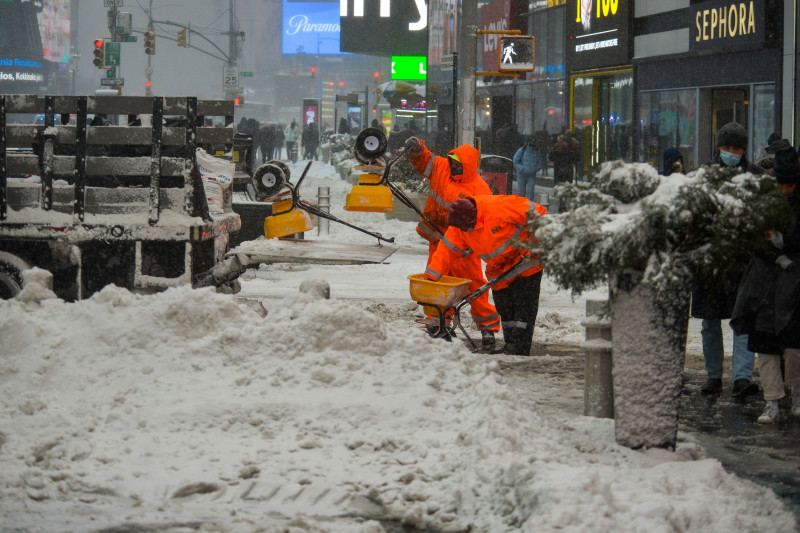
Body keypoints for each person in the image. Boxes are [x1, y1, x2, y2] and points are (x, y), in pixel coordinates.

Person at [405, 137, 502, 350]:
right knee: (435, 281)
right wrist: (418, 148)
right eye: (452, 161)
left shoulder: (480, 188)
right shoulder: (441, 168)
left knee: (475, 285)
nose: (453, 166)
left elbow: (484, 219)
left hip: (464, 248)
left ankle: (487, 328)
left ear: (468, 167)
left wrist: (471, 244)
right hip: (439, 240)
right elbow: (425, 160)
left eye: (458, 164)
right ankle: (438, 321)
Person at [425, 196, 547, 356]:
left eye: (467, 227)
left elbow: (538, 213)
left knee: (523, 309)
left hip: (526, 260)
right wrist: (431, 280)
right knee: (506, 309)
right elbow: (445, 252)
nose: (465, 231)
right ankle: (511, 345)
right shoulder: (459, 228)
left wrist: (537, 241)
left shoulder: (498, 208)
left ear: (473, 217)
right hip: (499, 270)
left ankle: (519, 348)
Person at [730, 143, 800, 422]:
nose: (786, 190)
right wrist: (772, 252)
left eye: (790, 185)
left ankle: (796, 393)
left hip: (794, 281)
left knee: (794, 343)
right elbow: (753, 237)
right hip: (763, 283)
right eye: (782, 184)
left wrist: (787, 245)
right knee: (765, 344)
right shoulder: (764, 199)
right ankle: (772, 401)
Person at [693, 121, 763, 397]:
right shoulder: (703, 176)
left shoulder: (756, 177)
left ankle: (742, 378)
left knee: (742, 321)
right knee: (710, 324)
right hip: (710, 264)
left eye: (736, 148)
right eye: (726, 147)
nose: (731, 152)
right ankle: (714, 376)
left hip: (743, 263)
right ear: (718, 147)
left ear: (744, 150)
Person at [547, 132, 581, 212]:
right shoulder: (560, 149)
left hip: (566, 173)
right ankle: (562, 207)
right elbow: (551, 157)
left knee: (564, 190)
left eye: (567, 142)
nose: (566, 144)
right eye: (565, 142)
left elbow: (577, 158)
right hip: (561, 173)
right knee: (562, 190)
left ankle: (562, 207)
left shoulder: (569, 150)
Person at [513, 136, 543, 201]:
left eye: (533, 142)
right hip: (522, 174)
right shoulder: (521, 150)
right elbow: (515, 162)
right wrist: (522, 169)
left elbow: (540, 163)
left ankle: (530, 206)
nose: (532, 143)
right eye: (530, 142)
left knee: (530, 191)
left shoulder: (537, 151)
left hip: (531, 175)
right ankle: (522, 206)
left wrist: (534, 169)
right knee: (521, 192)